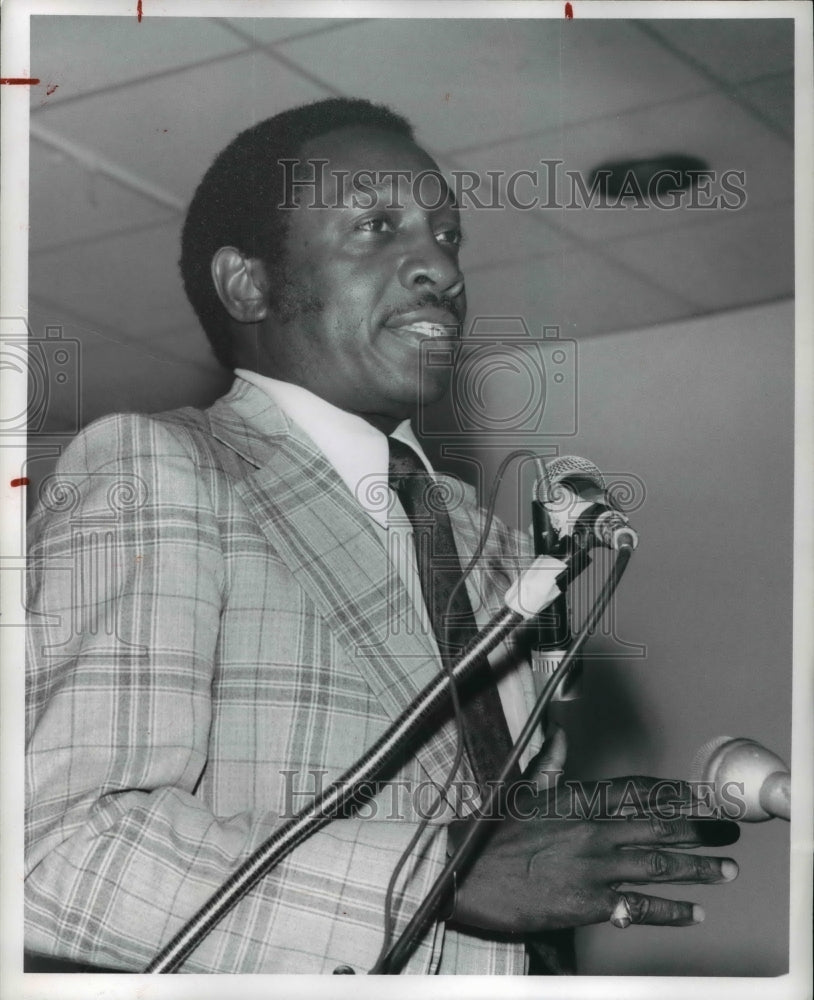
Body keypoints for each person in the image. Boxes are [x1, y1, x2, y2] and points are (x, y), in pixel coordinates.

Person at [25, 97, 740, 975]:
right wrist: (439, 872)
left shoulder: (493, 546)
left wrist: (573, 841)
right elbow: (55, 855)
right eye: (376, 226)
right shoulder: (161, 468)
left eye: (447, 235)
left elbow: (493, 852)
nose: (439, 265)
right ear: (248, 283)